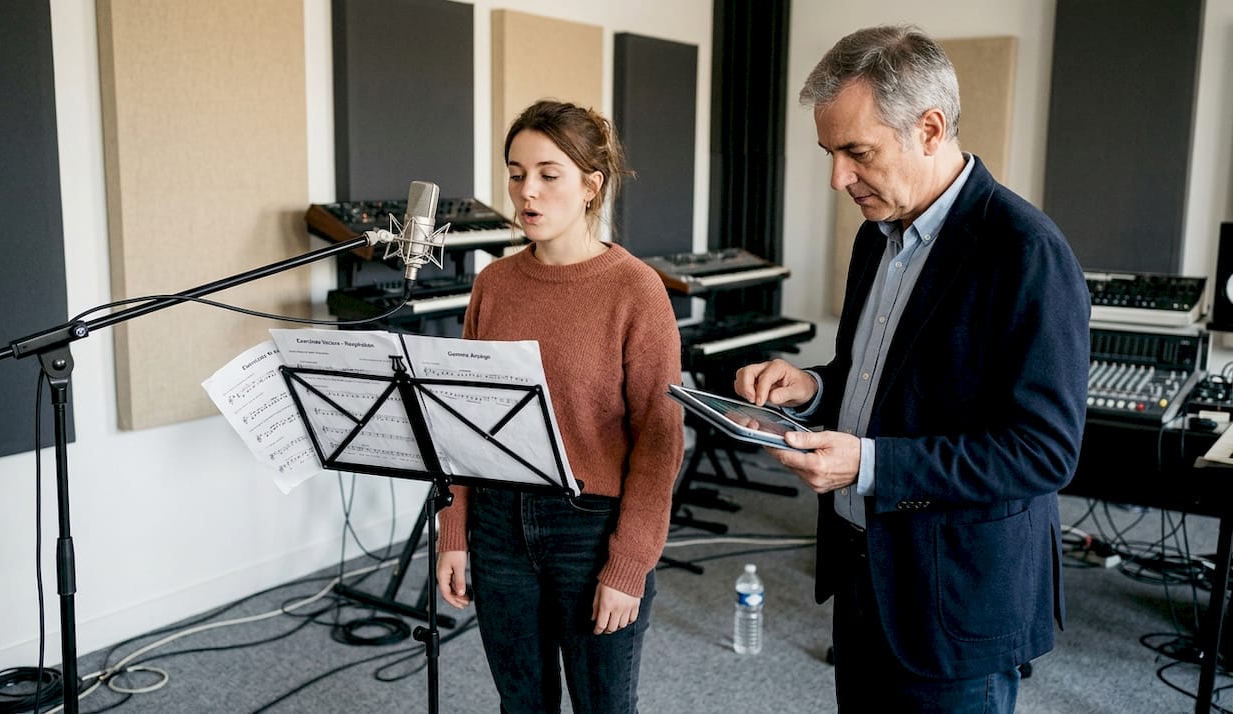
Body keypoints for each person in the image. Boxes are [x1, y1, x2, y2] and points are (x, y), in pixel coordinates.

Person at [733, 25, 1090, 713]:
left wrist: (867, 466)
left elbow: (1043, 452)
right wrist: (813, 387)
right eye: (830, 153)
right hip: (868, 577)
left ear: (929, 128)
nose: (838, 177)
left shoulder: (1027, 252)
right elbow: (880, 385)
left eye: (856, 152)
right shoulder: (877, 237)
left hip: (956, 602)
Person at [434, 99, 685, 713]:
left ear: (591, 186)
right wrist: (454, 533)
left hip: (590, 528)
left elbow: (660, 442)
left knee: (603, 705)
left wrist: (629, 564)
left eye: (549, 174)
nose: (528, 192)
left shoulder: (635, 289)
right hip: (497, 524)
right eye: (517, 173)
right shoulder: (494, 283)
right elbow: (462, 421)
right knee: (521, 704)